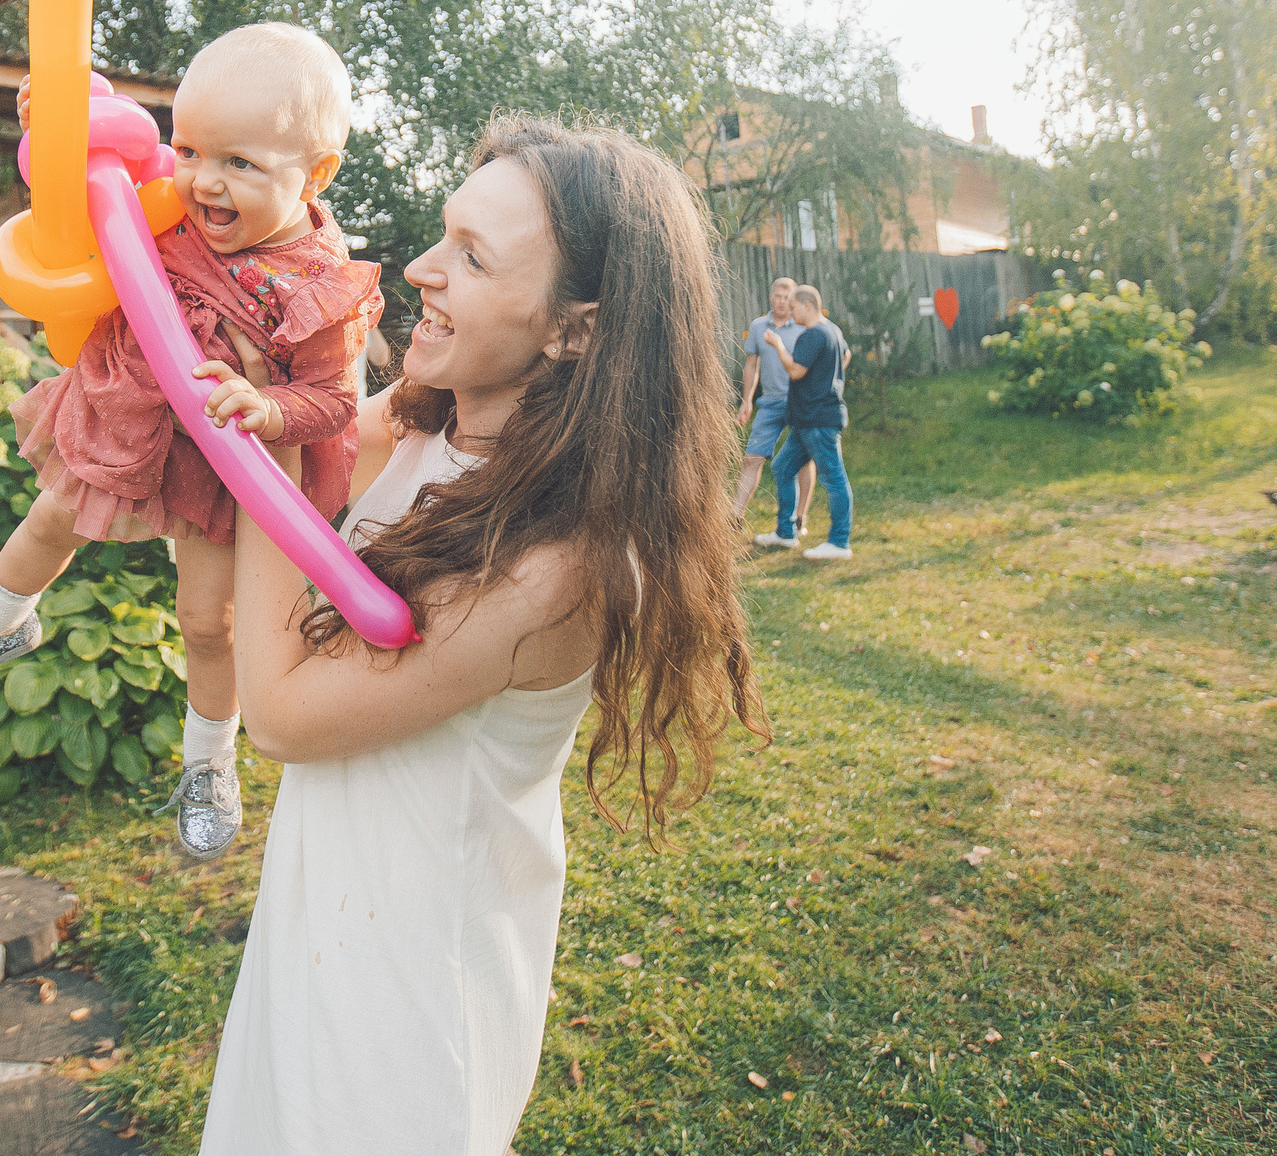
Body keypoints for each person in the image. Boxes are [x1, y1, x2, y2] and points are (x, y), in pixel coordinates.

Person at [196, 115, 763, 1156]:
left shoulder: (555, 565)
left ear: (574, 330)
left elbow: (280, 712)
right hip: (322, 924)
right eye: (442, 234)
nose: (420, 268)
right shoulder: (428, 421)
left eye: (472, 256)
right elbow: (308, 451)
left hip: (409, 997)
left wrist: (257, 447)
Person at [0, 23, 383, 863]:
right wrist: (54, 120)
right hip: (128, 407)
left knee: (207, 621)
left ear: (316, 174)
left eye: (240, 163)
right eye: (191, 149)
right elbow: (88, 167)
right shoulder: (162, 195)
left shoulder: (321, 286)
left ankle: (209, 764)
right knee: (49, 519)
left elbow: (336, 401)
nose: (205, 180)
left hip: (221, 460)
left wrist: (269, 406)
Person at [752, 283, 852, 560]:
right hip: (806, 421)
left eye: (794, 307)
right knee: (783, 468)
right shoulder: (833, 330)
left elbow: (795, 371)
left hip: (818, 421)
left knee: (834, 479)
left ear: (808, 306)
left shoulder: (814, 334)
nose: (790, 312)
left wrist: (777, 345)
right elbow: (846, 356)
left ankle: (839, 543)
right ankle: (785, 533)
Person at [736, 275, 815, 539]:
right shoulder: (759, 326)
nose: (781, 302)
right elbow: (752, 365)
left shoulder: (803, 326)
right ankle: (735, 516)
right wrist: (746, 400)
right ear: (771, 298)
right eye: (778, 297)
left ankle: (800, 518)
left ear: (794, 300)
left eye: (786, 298)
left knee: (803, 460)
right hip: (769, 403)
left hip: (798, 402)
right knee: (752, 458)